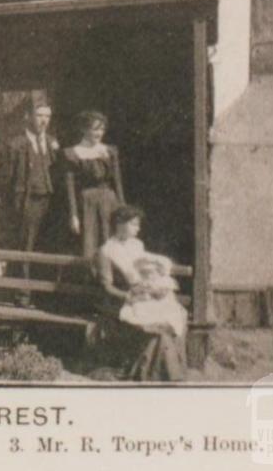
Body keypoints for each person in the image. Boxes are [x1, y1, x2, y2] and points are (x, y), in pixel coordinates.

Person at [93, 205, 188, 382]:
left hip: (144, 294)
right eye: (134, 224)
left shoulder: (137, 245)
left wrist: (155, 287)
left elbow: (146, 268)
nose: (138, 228)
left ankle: (170, 371)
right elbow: (106, 287)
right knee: (156, 324)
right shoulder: (106, 251)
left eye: (138, 224)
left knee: (177, 314)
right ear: (120, 224)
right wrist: (129, 296)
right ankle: (156, 372)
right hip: (123, 300)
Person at [0, 98, 61, 303]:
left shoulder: (52, 143)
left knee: (45, 245)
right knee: (26, 246)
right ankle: (22, 294)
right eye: (40, 116)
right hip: (26, 202)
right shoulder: (15, 144)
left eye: (47, 116)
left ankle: (44, 294)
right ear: (29, 117)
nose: (44, 121)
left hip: (48, 201)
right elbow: (5, 180)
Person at [64, 110, 125, 257]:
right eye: (95, 129)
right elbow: (70, 187)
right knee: (90, 244)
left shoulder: (109, 151)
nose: (99, 133)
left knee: (112, 243)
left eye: (102, 129)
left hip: (109, 202)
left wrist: (123, 209)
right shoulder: (72, 153)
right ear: (84, 129)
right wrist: (73, 215)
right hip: (87, 203)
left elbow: (117, 181)